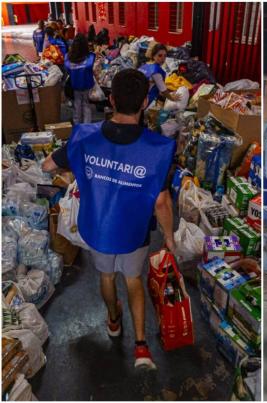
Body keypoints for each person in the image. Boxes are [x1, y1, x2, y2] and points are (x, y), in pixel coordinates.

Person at [41, 69, 177, 371]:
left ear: (112, 100)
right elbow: (161, 201)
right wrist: (169, 237)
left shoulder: (84, 137)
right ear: (145, 103)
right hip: (134, 232)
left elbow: (48, 165)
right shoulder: (159, 149)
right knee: (133, 281)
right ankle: (141, 347)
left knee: (106, 277)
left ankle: (114, 322)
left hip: (98, 228)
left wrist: (74, 171)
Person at [64, 34, 96, 124]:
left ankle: (77, 126)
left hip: (75, 85)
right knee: (86, 106)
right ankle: (86, 127)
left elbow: (68, 70)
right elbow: (91, 67)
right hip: (87, 85)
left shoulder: (68, 57)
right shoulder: (90, 57)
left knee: (77, 105)